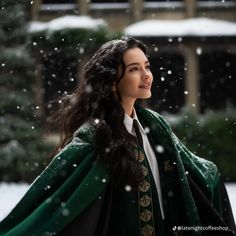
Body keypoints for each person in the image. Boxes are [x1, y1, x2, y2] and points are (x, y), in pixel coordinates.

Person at [0, 37, 235, 236]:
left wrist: (211, 176)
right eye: (134, 69)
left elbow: (194, 171)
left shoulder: (155, 125)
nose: (146, 75)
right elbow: (55, 204)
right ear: (113, 81)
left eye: (147, 66)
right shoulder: (95, 138)